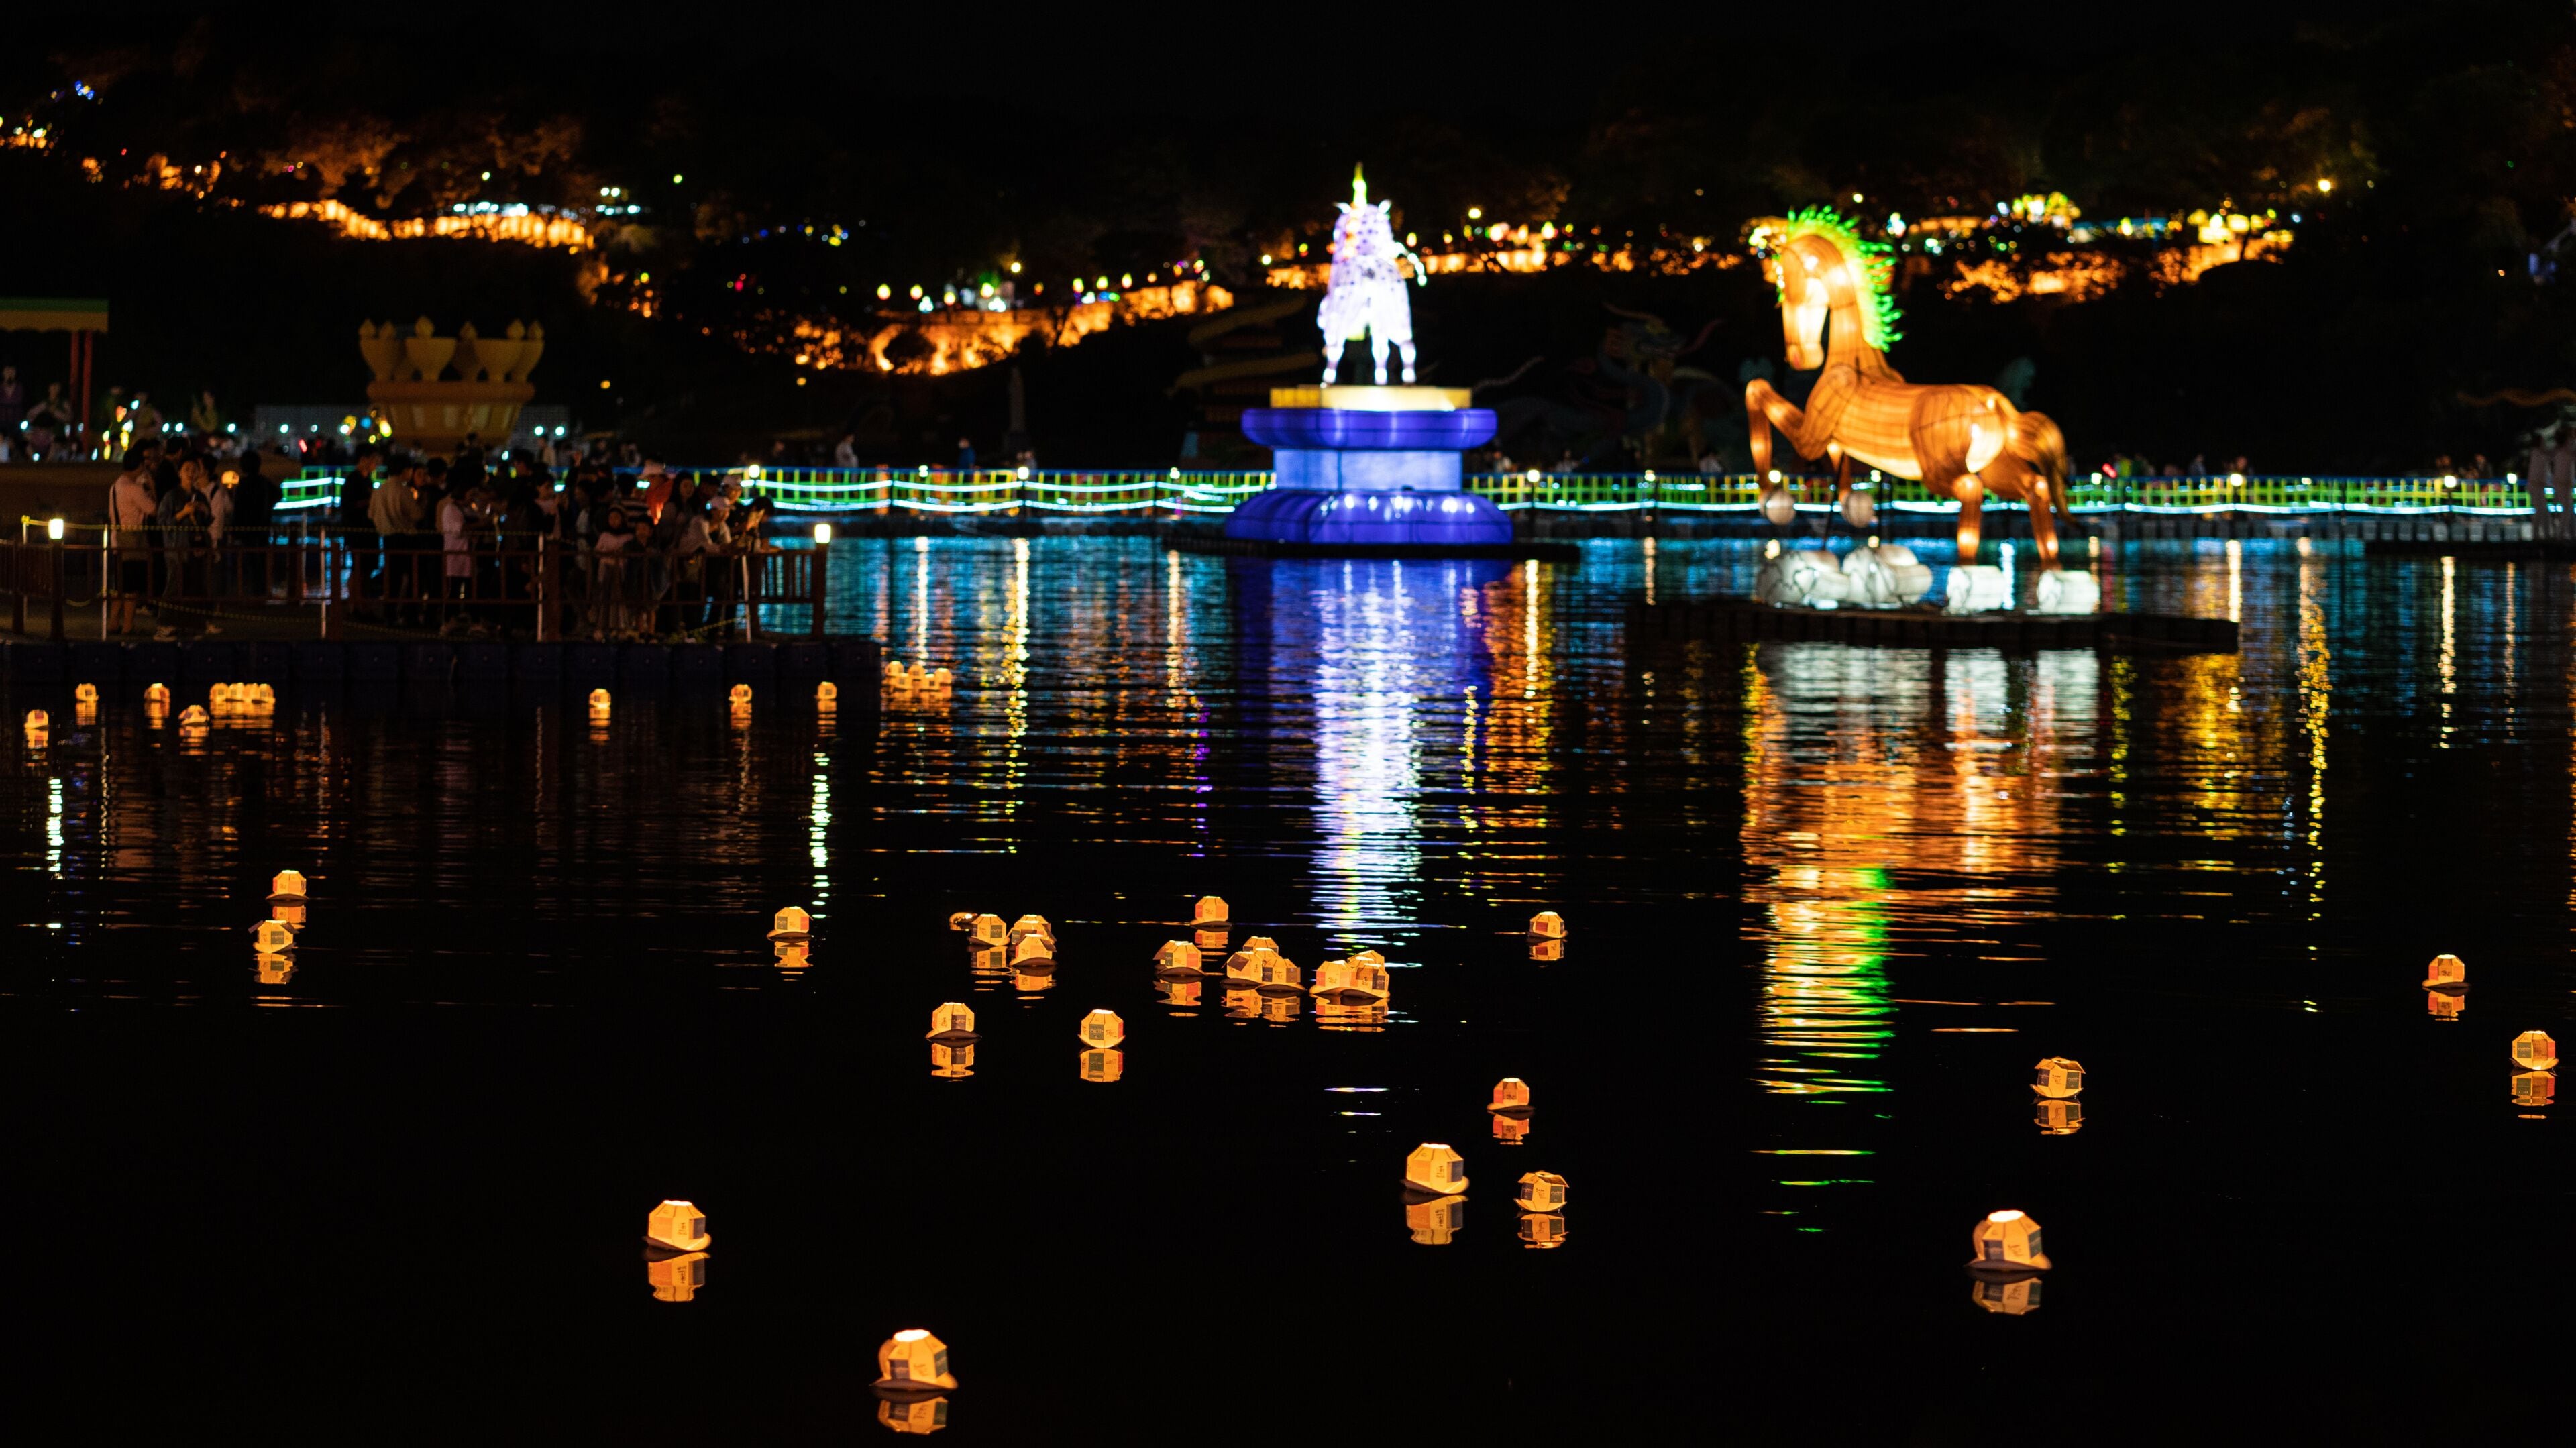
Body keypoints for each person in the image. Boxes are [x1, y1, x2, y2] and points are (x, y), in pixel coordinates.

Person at [107, 451, 156, 636]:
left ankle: (113, 623)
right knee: (131, 587)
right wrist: (152, 488)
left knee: (119, 586)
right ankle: (128, 625)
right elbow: (153, 510)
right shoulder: (134, 488)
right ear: (139, 467)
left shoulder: (115, 486)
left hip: (117, 539)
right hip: (133, 540)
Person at [0, 366, 23, 463]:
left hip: (15, 420)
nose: (10, 374)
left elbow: (18, 401)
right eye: (7, 372)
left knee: (14, 441)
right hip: (2, 419)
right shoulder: (1, 388)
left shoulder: (19, 388)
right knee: (2, 438)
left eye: (12, 372)